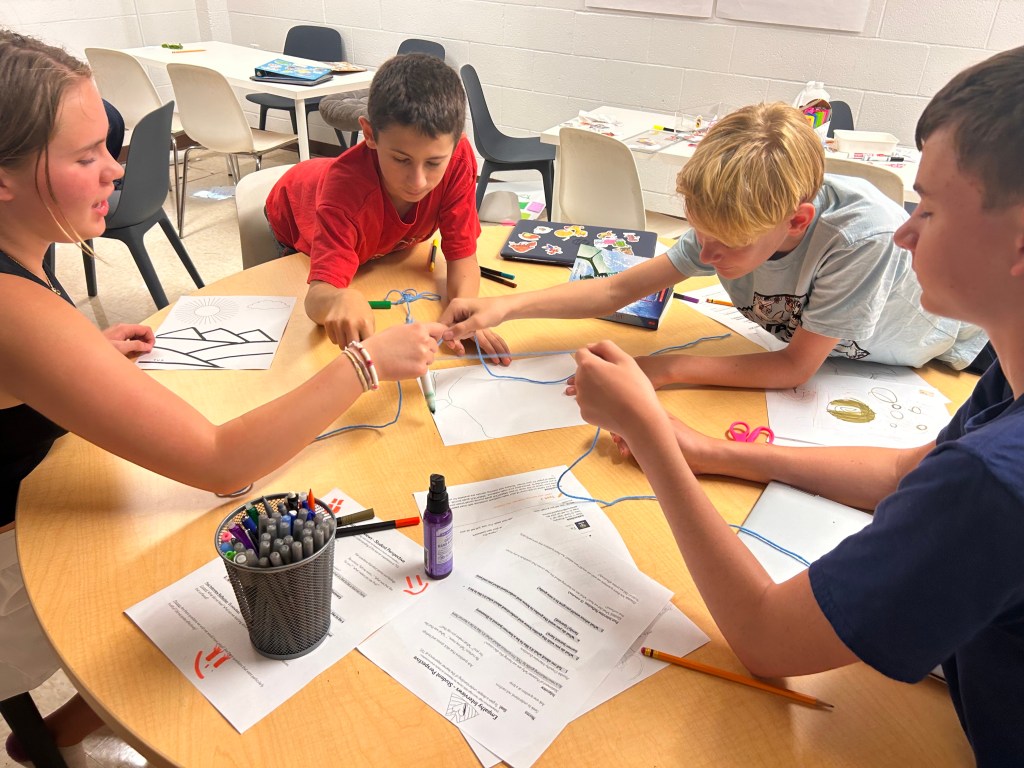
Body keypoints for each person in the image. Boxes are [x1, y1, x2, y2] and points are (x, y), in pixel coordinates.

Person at [570, 46, 1024, 765]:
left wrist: (648, 431)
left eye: (929, 209)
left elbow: (765, 638)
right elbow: (902, 474)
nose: (905, 232)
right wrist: (711, 451)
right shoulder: (1009, 384)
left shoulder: (994, 480)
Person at [0, 30, 443, 764]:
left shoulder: (24, 256)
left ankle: (66, 725)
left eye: (108, 143)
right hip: (19, 561)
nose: (117, 168)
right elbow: (218, 462)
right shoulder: (15, 311)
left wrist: (71, 361)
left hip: (33, 490)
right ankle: (71, 731)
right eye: (85, 157)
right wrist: (364, 365)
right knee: (245, 553)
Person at [440, 102, 988, 390]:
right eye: (700, 233)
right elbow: (616, 290)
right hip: (838, 356)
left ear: (796, 221)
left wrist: (662, 369)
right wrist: (506, 307)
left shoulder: (858, 239)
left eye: (726, 245)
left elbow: (795, 368)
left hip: (941, 357)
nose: (706, 256)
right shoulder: (730, 226)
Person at [265, 53, 509, 363]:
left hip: (376, 239)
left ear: (455, 142)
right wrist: (338, 298)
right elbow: (316, 299)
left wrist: (465, 310)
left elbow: (462, 256)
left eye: (434, 163)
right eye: (401, 159)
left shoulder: (458, 160)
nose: (418, 181)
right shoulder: (344, 194)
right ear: (369, 134)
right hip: (294, 210)